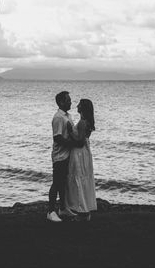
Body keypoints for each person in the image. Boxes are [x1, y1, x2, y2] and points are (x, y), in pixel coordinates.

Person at [47, 90, 77, 222]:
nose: (70, 101)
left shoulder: (67, 116)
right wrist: (72, 144)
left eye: (70, 99)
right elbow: (57, 138)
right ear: (61, 102)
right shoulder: (58, 117)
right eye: (68, 100)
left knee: (64, 183)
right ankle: (50, 211)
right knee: (57, 183)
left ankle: (63, 208)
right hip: (59, 156)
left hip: (67, 155)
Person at [65, 98, 97, 221]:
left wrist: (70, 132)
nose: (76, 105)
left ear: (82, 108)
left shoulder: (83, 122)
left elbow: (79, 142)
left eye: (79, 104)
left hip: (79, 153)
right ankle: (85, 210)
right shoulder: (86, 121)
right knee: (83, 179)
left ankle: (81, 211)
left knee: (78, 179)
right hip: (85, 152)